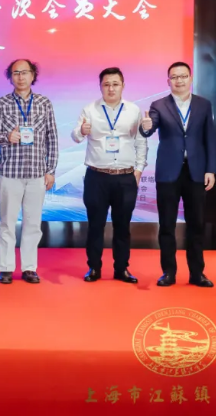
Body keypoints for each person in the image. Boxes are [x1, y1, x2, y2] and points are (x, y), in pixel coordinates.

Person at [140, 61, 216, 288]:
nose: (179, 80)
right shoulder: (159, 105)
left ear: (190, 78)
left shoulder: (203, 104)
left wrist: (211, 169)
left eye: (183, 76)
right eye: (174, 77)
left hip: (196, 172)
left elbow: (210, 139)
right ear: (168, 81)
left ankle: (197, 273)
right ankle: (168, 272)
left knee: (196, 225)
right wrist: (145, 126)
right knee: (167, 225)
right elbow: (149, 129)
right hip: (168, 172)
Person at [71, 67, 146, 284]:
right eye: (106, 84)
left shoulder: (133, 110)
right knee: (95, 225)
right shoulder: (90, 109)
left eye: (115, 84)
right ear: (100, 86)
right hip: (97, 177)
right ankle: (94, 268)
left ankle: (122, 269)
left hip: (125, 177)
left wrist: (138, 170)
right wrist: (81, 131)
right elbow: (75, 136)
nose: (111, 88)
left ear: (123, 86)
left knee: (123, 226)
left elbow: (140, 141)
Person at [0, 59, 58, 285]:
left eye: (25, 72)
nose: (20, 77)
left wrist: (51, 170)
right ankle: (6, 268)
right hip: (10, 172)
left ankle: (29, 268)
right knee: (7, 223)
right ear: (10, 77)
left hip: (37, 173)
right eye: (16, 73)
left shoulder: (44, 103)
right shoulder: (1, 103)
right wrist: (7, 136)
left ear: (33, 75)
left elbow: (52, 137)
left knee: (33, 224)